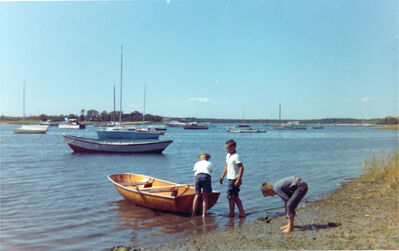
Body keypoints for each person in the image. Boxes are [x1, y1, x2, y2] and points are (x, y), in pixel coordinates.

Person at [220, 139, 246, 218]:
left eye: (229, 148)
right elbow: (226, 166)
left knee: (230, 196)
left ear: (234, 147)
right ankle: (240, 213)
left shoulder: (236, 156)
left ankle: (233, 213)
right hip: (230, 178)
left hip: (235, 179)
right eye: (226, 148)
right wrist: (222, 176)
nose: (227, 150)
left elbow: (241, 167)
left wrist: (238, 179)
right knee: (234, 196)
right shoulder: (228, 155)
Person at [192, 152, 213, 217]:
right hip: (206, 177)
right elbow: (210, 172)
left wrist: (194, 182)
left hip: (198, 177)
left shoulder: (197, 163)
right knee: (205, 196)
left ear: (200, 158)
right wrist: (209, 181)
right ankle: (203, 214)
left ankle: (193, 213)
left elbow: (195, 174)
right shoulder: (210, 163)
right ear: (207, 159)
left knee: (197, 195)